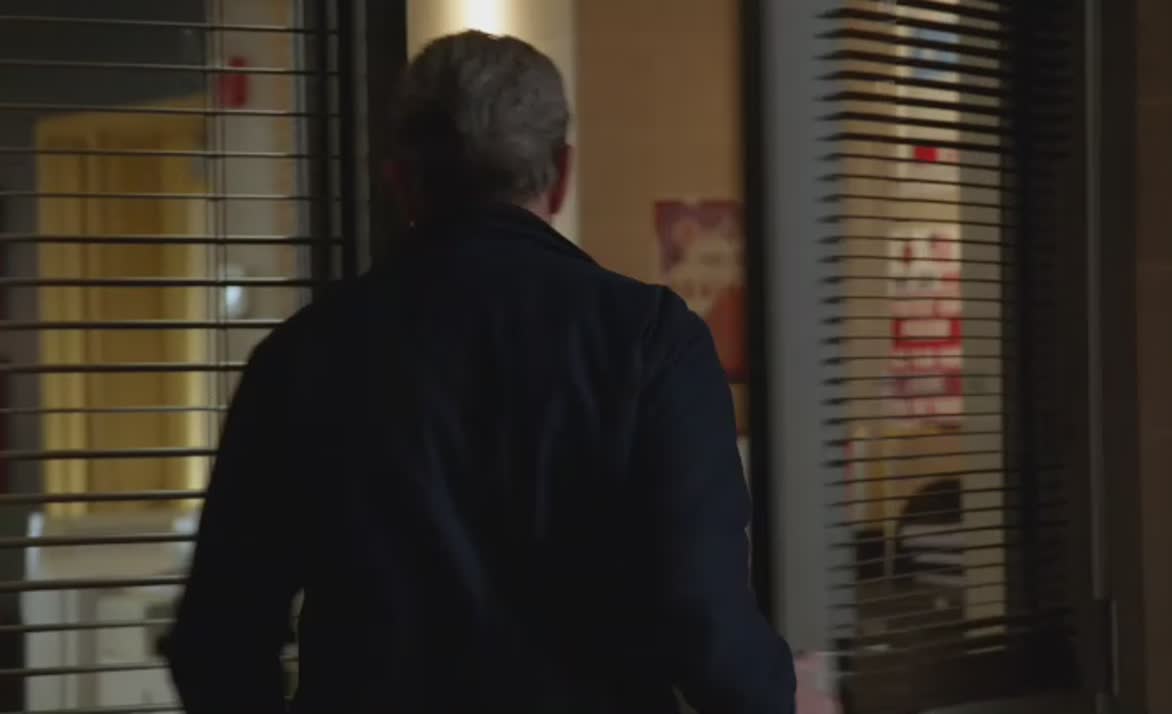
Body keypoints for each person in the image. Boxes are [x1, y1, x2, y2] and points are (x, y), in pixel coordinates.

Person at [165, 30, 795, 714]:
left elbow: (217, 641)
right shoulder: (652, 343)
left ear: (399, 180)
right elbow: (709, 632)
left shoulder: (300, 358)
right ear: (562, 174)